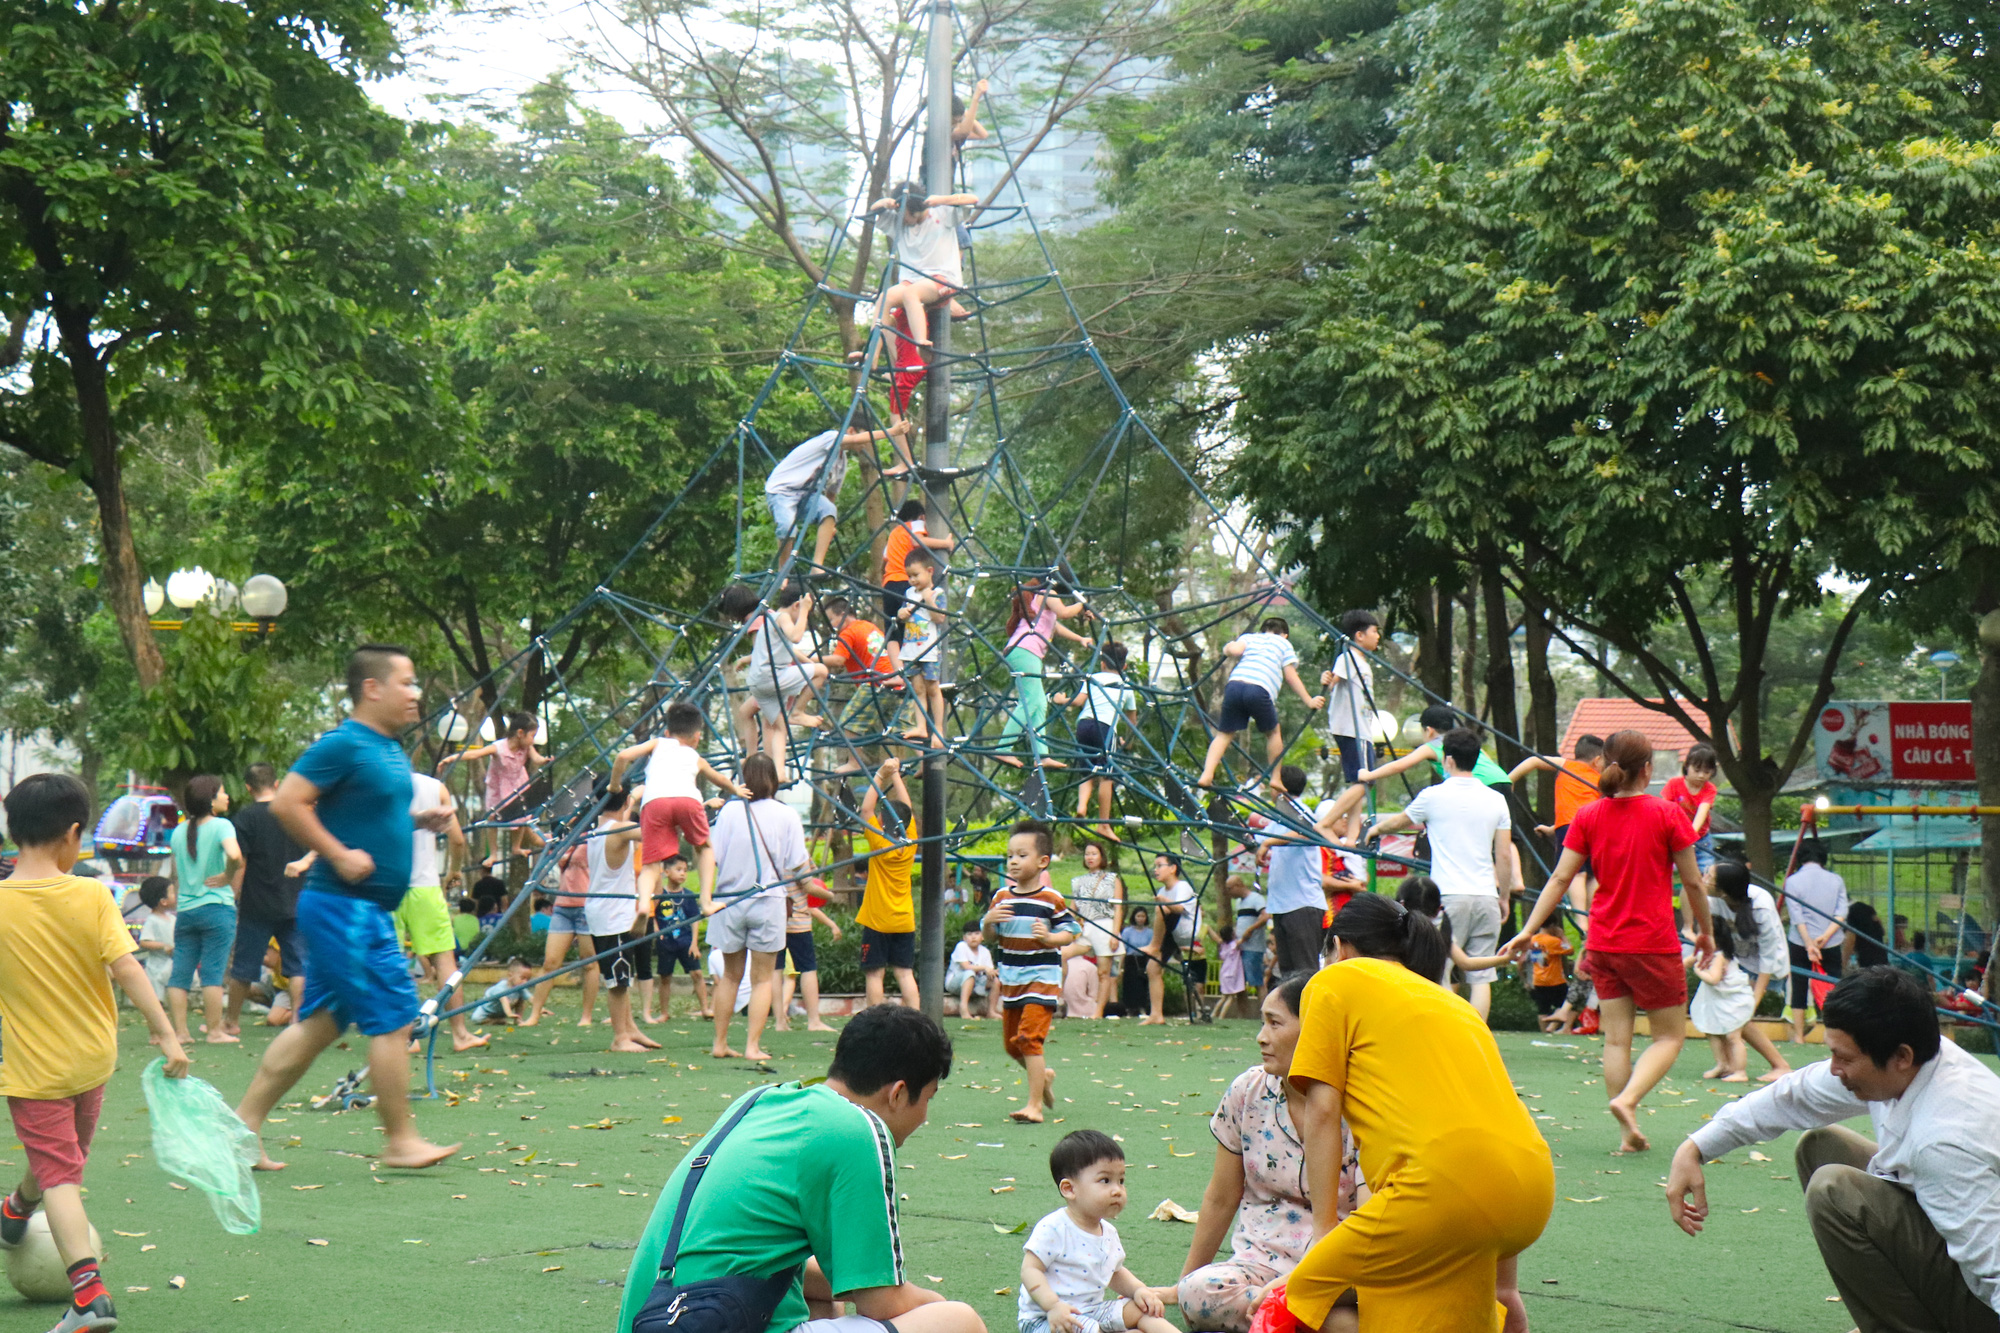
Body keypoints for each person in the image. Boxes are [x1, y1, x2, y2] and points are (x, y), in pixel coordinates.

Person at [1667, 967, 2000, 1333]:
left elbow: (1992, 1267)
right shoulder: (1919, 1058)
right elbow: (1795, 1095)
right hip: (1952, 1226)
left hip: (1988, 1295)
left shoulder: (1945, 1141)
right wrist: (1695, 1147)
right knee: (1821, 1147)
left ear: (1901, 1057)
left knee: (1834, 1191)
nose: (1834, 1069)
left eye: (1843, 1057)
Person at [616, 1005, 982, 1333]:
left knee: (822, 1296)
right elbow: (882, 1302)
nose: (926, 1117)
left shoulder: (759, 1101)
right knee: (959, 1321)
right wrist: (937, 1302)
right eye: (928, 1098)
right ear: (898, 1093)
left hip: (664, 1316)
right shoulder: (859, 1129)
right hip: (711, 1314)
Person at [234, 644, 461, 1172]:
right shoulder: (344, 744)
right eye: (406, 682)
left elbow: (367, 817)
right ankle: (400, 1140)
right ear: (372, 688)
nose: (416, 692)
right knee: (392, 1019)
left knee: (316, 1027)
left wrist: (415, 822)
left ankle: (240, 1129)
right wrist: (336, 854)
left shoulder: (387, 748)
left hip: (359, 909)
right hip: (346, 909)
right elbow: (288, 802)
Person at [1287, 894, 1554, 1332]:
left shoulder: (1336, 980)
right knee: (1418, 1313)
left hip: (1438, 1191)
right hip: (1531, 1191)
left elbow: (1321, 1111)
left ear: (1340, 947)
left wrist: (1323, 1231)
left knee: (1303, 1295)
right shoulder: (1453, 1003)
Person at [0, 773, 189, 1333]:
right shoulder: (91, 894)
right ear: (74, 835)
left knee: (61, 1176)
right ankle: (14, 1213)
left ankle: (88, 1298)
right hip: (92, 1062)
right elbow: (127, 968)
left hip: (36, 1071)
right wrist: (167, 1034)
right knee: (64, 1158)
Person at [1503, 727, 1715, 1155]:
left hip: (1603, 942)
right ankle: (1629, 1100)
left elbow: (1561, 878)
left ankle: (1627, 1136)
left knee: (1616, 1039)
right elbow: (1693, 882)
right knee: (1669, 1037)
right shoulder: (1668, 814)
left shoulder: (1588, 816)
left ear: (1606, 764)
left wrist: (1529, 929)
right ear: (1649, 769)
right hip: (1652, 941)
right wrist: (1705, 933)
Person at [1177, 974, 1360, 1333]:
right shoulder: (1248, 1091)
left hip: (1340, 1270)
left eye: (1275, 1023)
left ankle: (1283, 1317)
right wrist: (1184, 1282)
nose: (1262, 1036)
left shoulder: (1360, 1105)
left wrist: (1300, 1284)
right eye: (1263, 1022)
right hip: (1261, 1262)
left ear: (1314, 1030)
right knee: (1199, 1293)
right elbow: (1221, 1196)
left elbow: (1370, 1218)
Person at [1363, 728, 1517, 1019]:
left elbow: (1399, 821)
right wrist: (1504, 896)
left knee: (1443, 967)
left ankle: (1446, 1031)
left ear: (1447, 760)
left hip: (1446, 897)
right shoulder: (1496, 800)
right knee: (1482, 975)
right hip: (1486, 894)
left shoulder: (1433, 796)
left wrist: (1375, 829)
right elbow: (1505, 854)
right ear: (1477, 758)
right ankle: (1477, 1034)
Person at [1019, 1130, 1175, 1333]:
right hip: (1049, 1319)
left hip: (1092, 1311)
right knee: (1086, 1329)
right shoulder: (1054, 1228)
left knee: (1143, 1310)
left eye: (1121, 1181)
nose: (1117, 1190)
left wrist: (1138, 1290)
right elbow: (1030, 1270)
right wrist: (1053, 1306)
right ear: (1069, 1189)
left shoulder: (1108, 1232)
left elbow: (1115, 1272)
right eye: (1105, 1180)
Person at [707, 753, 809, 1063]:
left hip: (730, 900)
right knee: (764, 978)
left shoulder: (728, 812)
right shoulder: (786, 814)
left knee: (730, 976)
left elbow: (714, 855)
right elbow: (797, 864)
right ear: (774, 781)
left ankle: (720, 1043)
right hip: (768, 901)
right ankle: (752, 1046)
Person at [612, 701, 750, 928]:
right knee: (704, 847)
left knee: (651, 864)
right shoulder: (694, 756)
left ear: (667, 732)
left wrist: (614, 786)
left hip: (655, 802)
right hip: (688, 799)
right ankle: (706, 901)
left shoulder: (658, 743)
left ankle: (644, 905)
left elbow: (622, 757)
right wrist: (735, 789)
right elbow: (719, 778)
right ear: (697, 737)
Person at [984, 821, 1075, 1123]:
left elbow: (1071, 932)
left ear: (1042, 861)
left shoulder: (1051, 899)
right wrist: (987, 921)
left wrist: (1050, 938)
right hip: (1012, 981)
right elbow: (991, 938)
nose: (1013, 861)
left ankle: (1034, 1106)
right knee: (1013, 1047)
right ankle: (1043, 1078)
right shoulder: (1001, 898)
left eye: (1022, 855)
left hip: (1042, 981)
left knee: (1028, 1041)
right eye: (1010, 855)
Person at [395, 766, 485, 1052]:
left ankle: (404, 1036)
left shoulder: (374, 781)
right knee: (445, 960)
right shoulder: (435, 787)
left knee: (391, 959)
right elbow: (456, 839)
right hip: (426, 885)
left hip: (388, 884)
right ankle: (459, 1033)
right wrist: (453, 872)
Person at [1317, 704, 1512, 834]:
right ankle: (1515, 878)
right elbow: (1489, 764)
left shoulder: (1434, 745)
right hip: (1502, 781)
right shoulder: (1465, 742)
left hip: (1480, 786)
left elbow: (1399, 765)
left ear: (1429, 730)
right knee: (1504, 835)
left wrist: (1369, 774)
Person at [1195, 617, 1325, 790]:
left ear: (1262, 630)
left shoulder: (1250, 637)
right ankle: (1275, 778)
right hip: (1259, 688)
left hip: (1234, 685)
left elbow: (1233, 650)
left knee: (1224, 734)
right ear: (1285, 635)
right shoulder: (1283, 644)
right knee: (1273, 733)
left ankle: (1207, 774)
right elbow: (1290, 676)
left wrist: (1226, 647)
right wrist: (1309, 700)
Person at [765, 421, 913, 571]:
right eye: (865, 439)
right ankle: (783, 571)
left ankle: (817, 565)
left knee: (829, 510)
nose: (865, 445)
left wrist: (830, 524)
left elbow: (830, 497)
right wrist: (892, 432)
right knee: (787, 526)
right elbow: (855, 440)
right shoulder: (830, 438)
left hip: (807, 495)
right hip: (783, 490)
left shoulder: (841, 463)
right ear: (850, 430)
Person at [226, 762, 307, 1034]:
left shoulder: (245, 819)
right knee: (297, 965)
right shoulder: (294, 814)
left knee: (244, 966)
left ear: (248, 788)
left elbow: (241, 864)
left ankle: (232, 1022)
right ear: (276, 783)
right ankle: (298, 1019)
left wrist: (234, 897)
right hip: (295, 899)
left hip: (257, 903)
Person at [576, 783, 657, 1054]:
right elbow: (652, 833)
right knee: (618, 981)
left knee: (623, 974)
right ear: (623, 805)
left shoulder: (596, 831)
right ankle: (620, 1036)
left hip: (602, 910)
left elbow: (623, 813)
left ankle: (630, 1029)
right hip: (613, 914)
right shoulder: (619, 831)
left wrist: (632, 797)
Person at [166, 773, 243, 1048]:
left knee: (180, 974)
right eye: (222, 792)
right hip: (217, 908)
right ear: (210, 799)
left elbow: (175, 871)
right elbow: (235, 856)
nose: (226, 796)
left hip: (186, 911)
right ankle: (213, 1031)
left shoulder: (178, 831)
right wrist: (227, 876)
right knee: (213, 973)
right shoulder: (222, 826)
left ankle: (181, 1033)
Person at [868, 181, 982, 348]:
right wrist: (884, 202)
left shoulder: (941, 214)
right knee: (884, 299)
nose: (901, 219)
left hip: (943, 279)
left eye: (903, 213)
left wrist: (941, 199)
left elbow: (972, 199)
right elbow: (873, 211)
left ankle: (921, 343)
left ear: (913, 209)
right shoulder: (898, 224)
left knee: (911, 294)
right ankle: (872, 356)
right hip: (912, 280)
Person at [1710, 859, 1794, 1082]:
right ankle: (1728, 1064)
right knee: (1733, 1014)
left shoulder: (1761, 906)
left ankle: (1780, 1065)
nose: (1703, 879)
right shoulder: (1712, 899)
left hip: (1768, 968)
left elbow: (1768, 958)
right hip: (1740, 963)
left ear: (1723, 891)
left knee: (1741, 1017)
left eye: (1708, 877)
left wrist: (1754, 1001)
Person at [996, 577, 1091, 769]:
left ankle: (1042, 755)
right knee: (1030, 700)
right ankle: (1003, 748)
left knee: (1039, 704)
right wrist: (1082, 603)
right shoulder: (1047, 593)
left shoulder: (1040, 601)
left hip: (1025, 652)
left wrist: (1080, 638)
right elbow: (1064, 612)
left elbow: (1055, 625)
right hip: (1025, 650)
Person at [439, 709, 547, 868]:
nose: (533, 740)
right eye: (532, 735)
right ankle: (493, 854)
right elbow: (476, 754)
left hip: (518, 784)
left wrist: (544, 760)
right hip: (499, 787)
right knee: (493, 818)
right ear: (520, 733)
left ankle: (516, 847)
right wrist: (453, 757)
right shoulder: (499, 748)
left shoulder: (527, 747)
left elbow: (536, 758)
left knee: (521, 818)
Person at [1053, 641, 1139, 835]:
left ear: (1102, 663)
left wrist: (1061, 700)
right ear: (1124, 666)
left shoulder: (1093, 678)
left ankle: (1081, 807)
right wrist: (1129, 741)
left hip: (1084, 725)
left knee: (1086, 770)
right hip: (1106, 729)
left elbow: (1079, 702)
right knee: (1107, 777)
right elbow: (1132, 721)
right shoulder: (1126, 686)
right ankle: (1104, 824)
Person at [823, 595, 909, 775]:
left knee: (849, 720)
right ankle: (925, 758)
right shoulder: (868, 626)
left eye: (831, 619)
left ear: (843, 615)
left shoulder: (847, 632)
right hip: (895, 680)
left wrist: (808, 659)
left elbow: (838, 660)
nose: (831, 625)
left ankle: (854, 761)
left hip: (877, 682)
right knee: (903, 728)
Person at [1260, 767, 1333, 979]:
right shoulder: (1277, 817)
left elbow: (1309, 831)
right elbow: (1256, 840)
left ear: (1280, 786)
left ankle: (1309, 1012)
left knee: (1305, 971)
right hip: (1281, 905)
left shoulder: (1302, 812)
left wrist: (1269, 842)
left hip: (1302, 905)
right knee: (1288, 975)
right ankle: (1292, 1013)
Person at [521, 834, 601, 1027]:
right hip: (563, 906)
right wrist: (523, 819)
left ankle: (586, 1016)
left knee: (589, 962)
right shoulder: (563, 836)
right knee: (550, 963)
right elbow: (536, 838)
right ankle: (535, 1014)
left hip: (587, 905)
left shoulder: (596, 835)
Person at [859, 757, 920, 1008]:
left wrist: (880, 774)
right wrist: (895, 774)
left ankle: (875, 1019)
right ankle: (916, 1018)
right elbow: (908, 808)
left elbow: (865, 810)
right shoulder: (911, 841)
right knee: (904, 973)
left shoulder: (879, 843)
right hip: (904, 919)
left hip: (877, 919)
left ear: (883, 823)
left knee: (875, 973)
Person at [1507, 733, 1603, 888]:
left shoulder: (1566, 765)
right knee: (1592, 875)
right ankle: (1589, 912)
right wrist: (1552, 829)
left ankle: (1579, 913)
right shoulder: (1600, 779)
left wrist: (1509, 780)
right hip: (1592, 828)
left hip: (1569, 827)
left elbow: (1534, 761)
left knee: (1576, 874)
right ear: (1597, 760)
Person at [1784, 839, 1849, 1042]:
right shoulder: (1836, 880)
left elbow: (1797, 917)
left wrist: (1809, 944)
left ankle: (1798, 1036)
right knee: (1834, 985)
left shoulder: (1792, 881)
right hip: (1831, 941)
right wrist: (1825, 937)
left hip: (1799, 941)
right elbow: (1842, 912)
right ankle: (1833, 1035)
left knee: (1799, 984)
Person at [881, 498, 957, 646]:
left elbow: (884, 560)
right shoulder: (916, 524)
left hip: (888, 584)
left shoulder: (893, 534)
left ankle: (898, 667)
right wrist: (945, 544)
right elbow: (917, 541)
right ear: (922, 516)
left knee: (892, 632)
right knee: (915, 621)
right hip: (906, 581)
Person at [897, 546, 951, 746]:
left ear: (929, 571)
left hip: (928, 650)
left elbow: (940, 618)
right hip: (910, 649)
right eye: (909, 576)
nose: (912, 580)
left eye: (916, 575)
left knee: (933, 688)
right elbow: (903, 615)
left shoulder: (937, 593)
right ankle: (920, 726)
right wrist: (901, 615)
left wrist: (929, 600)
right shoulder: (909, 592)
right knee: (917, 688)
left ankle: (938, 730)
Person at [1321, 610, 1381, 787]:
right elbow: (1333, 681)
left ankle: (1354, 817)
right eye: (1375, 631)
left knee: (1358, 781)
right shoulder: (1349, 657)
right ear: (1360, 635)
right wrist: (1326, 679)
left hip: (1359, 729)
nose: (1378, 636)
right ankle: (1333, 816)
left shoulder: (1360, 661)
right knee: (1365, 781)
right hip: (1354, 729)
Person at [1065, 840, 1125, 1018]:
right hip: (1085, 927)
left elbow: (1118, 908)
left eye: (1093, 853)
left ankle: (1098, 1012)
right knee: (1062, 955)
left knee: (1103, 972)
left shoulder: (1112, 879)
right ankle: (1058, 999)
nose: (1089, 857)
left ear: (1101, 856)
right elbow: (1072, 908)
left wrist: (1114, 934)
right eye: (1087, 854)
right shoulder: (1078, 882)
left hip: (1105, 924)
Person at [645, 854, 708, 1023]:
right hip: (666, 943)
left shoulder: (688, 896)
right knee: (665, 977)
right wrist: (658, 933)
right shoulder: (659, 894)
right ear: (666, 871)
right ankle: (664, 1012)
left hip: (685, 941)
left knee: (697, 973)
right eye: (678, 870)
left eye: (685, 871)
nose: (682, 874)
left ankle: (705, 1008)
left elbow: (695, 920)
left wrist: (694, 943)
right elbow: (653, 914)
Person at [1691, 918, 1754, 1081]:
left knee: (1733, 1036)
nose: (1698, 936)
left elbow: (1713, 979)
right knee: (1712, 1030)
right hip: (1718, 1001)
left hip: (1732, 1000)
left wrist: (1697, 971)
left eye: (1701, 933)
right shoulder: (1706, 954)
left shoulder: (1720, 956)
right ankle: (1723, 1065)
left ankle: (1740, 1071)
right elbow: (1684, 962)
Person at [776, 876, 841, 1033]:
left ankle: (779, 1021)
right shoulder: (796, 855)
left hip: (775, 920)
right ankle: (814, 1021)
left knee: (776, 970)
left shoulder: (769, 853)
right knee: (808, 968)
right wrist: (830, 895)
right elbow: (810, 887)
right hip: (798, 922)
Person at [1142, 853, 1198, 1025]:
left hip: (1183, 929)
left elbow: (1180, 908)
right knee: (1152, 968)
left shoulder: (1183, 886)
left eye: (1160, 865)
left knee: (1161, 908)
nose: (1156, 870)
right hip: (1171, 933)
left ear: (1173, 868)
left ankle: (1154, 945)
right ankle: (1156, 1014)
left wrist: (1164, 901)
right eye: (1155, 866)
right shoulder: (1162, 891)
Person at [1661, 743, 1721, 888]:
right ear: (1687, 766)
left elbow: (1702, 811)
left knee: (1703, 879)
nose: (1701, 775)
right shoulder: (1674, 784)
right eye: (1697, 770)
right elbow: (1666, 810)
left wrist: (1690, 835)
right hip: (1675, 837)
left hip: (1700, 840)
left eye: (1706, 772)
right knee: (1665, 873)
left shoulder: (1709, 789)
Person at [1526, 920, 1572, 1030]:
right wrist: (1562, 936)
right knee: (1565, 1005)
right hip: (1555, 979)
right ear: (1552, 925)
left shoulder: (1533, 939)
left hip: (1538, 979)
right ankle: (1553, 1028)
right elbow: (1570, 950)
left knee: (1542, 1009)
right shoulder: (1554, 941)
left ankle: (1544, 1032)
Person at [1231, 876, 1269, 1003]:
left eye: (1230, 889)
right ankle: (1243, 1016)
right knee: (1239, 984)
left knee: (1257, 981)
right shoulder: (1238, 903)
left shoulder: (1256, 899)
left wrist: (1250, 930)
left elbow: (1265, 917)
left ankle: (1263, 1014)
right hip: (1240, 947)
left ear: (1238, 885)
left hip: (1254, 947)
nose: (1229, 893)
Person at [137, 876, 176, 999]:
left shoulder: (173, 919)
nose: (176, 896)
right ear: (163, 901)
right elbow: (144, 942)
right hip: (157, 967)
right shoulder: (153, 920)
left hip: (171, 963)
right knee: (157, 995)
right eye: (172, 893)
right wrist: (164, 946)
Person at [948, 924, 998, 1019]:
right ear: (964, 937)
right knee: (969, 974)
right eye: (970, 934)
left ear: (982, 936)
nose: (973, 937)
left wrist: (994, 972)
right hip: (955, 983)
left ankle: (991, 1011)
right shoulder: (961, 946)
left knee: (995, 981)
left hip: (976, 983)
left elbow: (989, 971)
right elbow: (966, 966)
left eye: (977, 933)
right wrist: (984, 967)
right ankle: (963, 1009)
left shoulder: (985, 951)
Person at [468, 956, 534, 1025]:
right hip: (487, 1011)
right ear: (510, 976)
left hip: (502, 1012)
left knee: (521, 999)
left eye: (528, 979)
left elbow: (531, 998)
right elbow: (504, 1000)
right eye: (522, 978)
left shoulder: (521, 988)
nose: (525, 982)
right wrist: (509, 1013)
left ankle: (518, 1020)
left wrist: (540, 1009)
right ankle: (497, 1021)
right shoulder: (501, 987)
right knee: (476, 1019)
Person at [1118, 908, 1154, 1019]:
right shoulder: (1127, 931)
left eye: (1143, 916)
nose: (1140, 919)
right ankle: (1129, 1009)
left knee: (1143, 985)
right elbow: (1123, 949)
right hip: (1131, 960)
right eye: (1138, 916)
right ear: (1134, 917)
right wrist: (1120, 965)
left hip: (1144, 960)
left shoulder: (1150, 932)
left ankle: (1143, 1008)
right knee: (1130, 985)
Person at [1210, 922, 1248, 1020]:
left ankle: (1214, 1014)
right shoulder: (1234, 944)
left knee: (1224, 997)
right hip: (1231, 973)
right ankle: (1221, 1016)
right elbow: (1244, 938)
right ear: (1232, 934)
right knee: (1231, 997)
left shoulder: (1223, 946)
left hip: (1224, 972)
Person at [1061, 952, 1101, 1020]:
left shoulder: (1060, 966)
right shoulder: (1090, 967)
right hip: (1087, 1012)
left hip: (1063, 1009)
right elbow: (1095, 995)